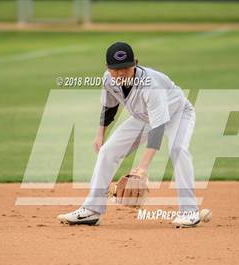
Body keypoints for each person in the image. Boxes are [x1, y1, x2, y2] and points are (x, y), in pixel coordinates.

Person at [57, 42, 199, 228]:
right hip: (143, 117)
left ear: (134, 65)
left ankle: (190, 211)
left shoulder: (150, 85)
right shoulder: (108, 79)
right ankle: (92, 210)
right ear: (108, 69)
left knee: (178, 149)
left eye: (125, 68)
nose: (120, 73)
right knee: (107, 151)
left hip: (178, 113)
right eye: (115, 69)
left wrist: (142, 168)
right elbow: (109, 107)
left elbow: (157, 129)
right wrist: (100, 135)